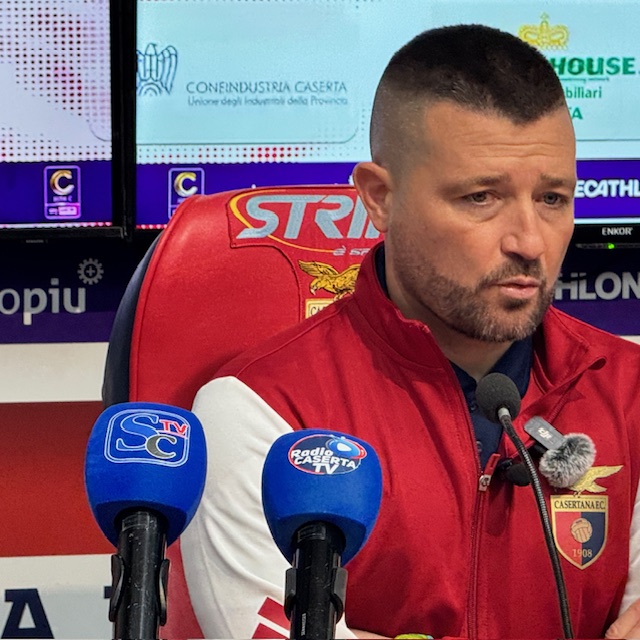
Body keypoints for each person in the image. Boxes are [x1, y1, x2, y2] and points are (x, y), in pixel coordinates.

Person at [179, 24, 640, 639]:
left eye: (553, 198)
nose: (530, 242)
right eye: (481, 197)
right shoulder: (259, 407)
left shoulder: (630, 392)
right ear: (379, 198)